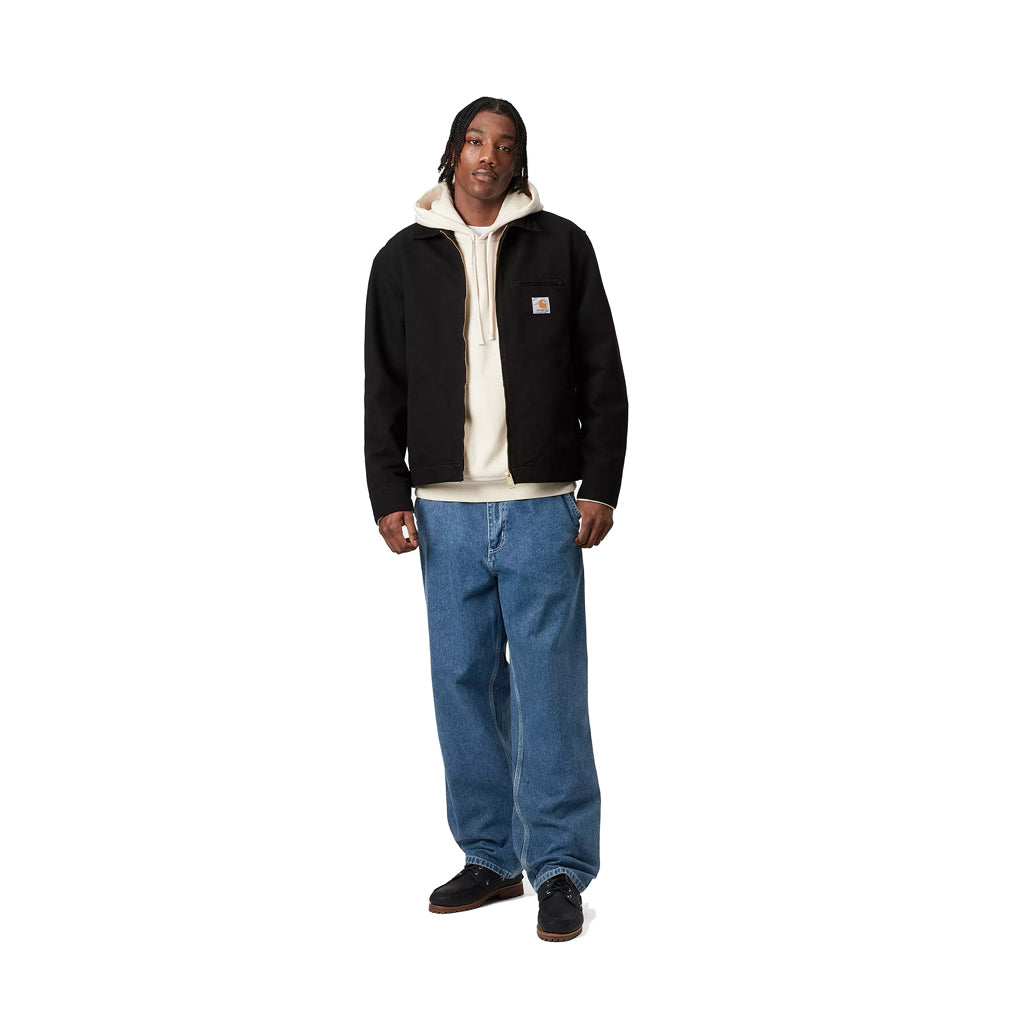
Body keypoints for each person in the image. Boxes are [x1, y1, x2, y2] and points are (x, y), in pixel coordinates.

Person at [363, 96, 627, 942]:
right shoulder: (401, 259)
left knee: (550, 690)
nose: (489, 156)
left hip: (543, 506)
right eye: (475, 141)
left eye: (505, 145)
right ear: (452, 152)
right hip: (443, 512)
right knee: (462, 685)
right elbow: (382, 385)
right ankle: (490, 856)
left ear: (519, 160)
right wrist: (388, 493)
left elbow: (604, 374)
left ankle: (560, 867)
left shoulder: (563, 246)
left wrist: (601, 484)